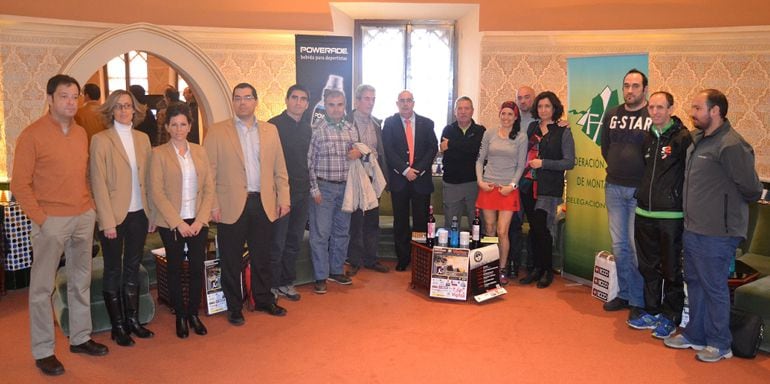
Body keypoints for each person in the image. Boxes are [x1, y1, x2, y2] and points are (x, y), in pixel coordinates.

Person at [11, 74, 108, 376]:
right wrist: (42, 220)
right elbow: (19, 185)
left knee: (81, 280)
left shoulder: (80, 133)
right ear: (50, 99)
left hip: (83, 217)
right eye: (64, 96)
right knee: (42, 288)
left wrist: (91, 207)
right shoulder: (32, 134)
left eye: (75, 96)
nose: (70, 102)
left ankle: (80, 337)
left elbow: (85, 174)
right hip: (50, 221)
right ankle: (43, 351)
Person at [664, 89, 762, 362]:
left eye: (698, 108)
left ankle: (720, 343)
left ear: (715, 111)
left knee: (714, 286)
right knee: (694, 282)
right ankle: (696, 334)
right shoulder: (697, 140)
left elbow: (752, 189)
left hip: (719, 233)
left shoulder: (731, 145)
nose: (692, 113)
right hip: (693, 228)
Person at [204, 83, 290, 325]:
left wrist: (284, 198)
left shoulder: (270, 130)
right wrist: (212, 204)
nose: (242, 102)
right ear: (233, 102)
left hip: (263, 202)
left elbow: (280, 168)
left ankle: (263, 299)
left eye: (247, 97)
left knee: (262, 256)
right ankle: (234, 306)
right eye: (238, 98)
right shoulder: (217, 131)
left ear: (255, 101)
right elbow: (208, 173)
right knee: (230, 258)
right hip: (230, 205)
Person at [90, 89, 155, 347]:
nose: (124, 110)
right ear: (111, 110)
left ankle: (133, 321)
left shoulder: (143, 139)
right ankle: (117, 327)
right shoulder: (101, 140)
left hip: (140, 213)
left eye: (128, 106)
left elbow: (149, 180)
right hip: (114, 216)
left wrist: (152, 213)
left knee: (133, 267)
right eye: (118, 106)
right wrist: (106, 221)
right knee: (113, 269)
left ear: (135, 109)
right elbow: (98, 183)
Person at [625, 92, 691, 339]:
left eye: (660, 107)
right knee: (648, 267)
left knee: (671, 269)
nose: (655, 112)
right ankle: (652, 311)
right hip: (644, 212)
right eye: (651, 107)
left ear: (671, 109)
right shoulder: (647, 138)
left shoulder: (683, 139)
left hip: (670, 216)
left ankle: (670, 317)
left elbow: (689, 175)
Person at [148, 102, 214, 339]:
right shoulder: (158, 154)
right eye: (174, 125)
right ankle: (180, 315)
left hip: (197, 220)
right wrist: (178, 223)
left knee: (196, 267)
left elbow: (209, 188)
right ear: (167, 127)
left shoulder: (200, 151)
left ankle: (193, 313)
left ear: (190, 126)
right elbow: (157, 192)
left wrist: (200, 220)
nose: (178, 129)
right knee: (175, 268)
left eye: (183, 124)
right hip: (171, 222)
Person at [600, 69, 651, 313]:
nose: (630, 90)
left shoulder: (651, 116)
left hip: (638, 192)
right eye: (626, 86)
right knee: (619, 246)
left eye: (635, 86)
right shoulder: (612, 114)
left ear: (645, 89)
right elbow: (605, 148)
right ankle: (624, 293)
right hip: (613, 187)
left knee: (634, 246)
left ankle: (639, 300)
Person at [519, 91, 575, 288]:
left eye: (547, 106)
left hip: (548, 188)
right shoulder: (532, 127)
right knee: (535, 229)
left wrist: (543, 163)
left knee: (544, 230)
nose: (543, 110)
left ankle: (546, 270)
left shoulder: (563, 131)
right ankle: (536, 268)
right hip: (528, 185)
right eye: (540, 106)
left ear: (554, 108)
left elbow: (569, 162)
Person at [307, 89, 360, 294]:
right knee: (321, 234)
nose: (336, 109)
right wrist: (314, 189)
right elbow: (309, 163)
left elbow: (358, 156)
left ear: (345, 105)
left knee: (342, 232)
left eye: (339, 105)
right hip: (324, 188)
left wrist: (358, 153)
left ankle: (336, 270)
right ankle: (320, 276)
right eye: (331, 105)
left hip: (346, 188)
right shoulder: (317, 130)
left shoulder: (350, 128)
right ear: (325, 106)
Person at [382, 90, 438, 271]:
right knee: (401, 222)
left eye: (408, 100)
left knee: (421, 222)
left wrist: (418, 170)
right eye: (402, 101)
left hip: (421, 181)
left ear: (413, 103)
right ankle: (403, 258)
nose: (405, 104)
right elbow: (388, 150)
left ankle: (420, 258)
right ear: (397, 104)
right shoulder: (389, 123)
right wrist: (405, 170)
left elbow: (432, 148)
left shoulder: (426, 123)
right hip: (399, 180)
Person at [475, 101, 527, 285]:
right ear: (499, 114)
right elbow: (479, 160)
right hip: (488, 186)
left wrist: (512, 185)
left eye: (510, 114)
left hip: (507, 189)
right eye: (503, 113)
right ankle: (490, 266)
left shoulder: (521, 137)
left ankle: (502, 268)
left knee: (502, 231)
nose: (506, 117)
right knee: (489, 228)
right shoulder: (489, 133)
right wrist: (480, 181)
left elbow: (521, 165)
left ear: (515, 117)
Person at [268, 84, 312, 300]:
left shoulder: (308, 128)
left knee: (294, 241)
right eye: (294, 97)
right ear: (286, 100)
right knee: (277, 241)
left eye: (303, 99)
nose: (298, 102)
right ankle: (271, 285)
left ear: (307, 104)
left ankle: (286, 282)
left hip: (303, 193)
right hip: (280, 194)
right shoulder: (272, 126)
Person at [345, 84, 390, 276]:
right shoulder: (346, 122)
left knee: (372, 221)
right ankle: (354, 260)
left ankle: (371, 259)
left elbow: (379, 152)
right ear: (357, 101)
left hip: (373, 178)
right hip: (354, 178)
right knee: (355, 222)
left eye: (373, 99)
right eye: (366, 98)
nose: (370, 103)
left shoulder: (376, 124)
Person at [440, 96, 486, 231]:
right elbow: (451, 156)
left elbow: (476, 150)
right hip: (452, 184)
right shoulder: (448, 130)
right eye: (459, 108)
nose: (463, 111)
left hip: (474, 184)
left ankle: (477, 246)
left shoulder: (480, 131)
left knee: (477, 225)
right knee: (451, 226)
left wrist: (451, 144)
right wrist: (467, 147)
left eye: (466, 108)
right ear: (455, 111)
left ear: (472, 111)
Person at [507, 86, 536, 277]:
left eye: (527, 97)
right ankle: (513, 264)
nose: (523, 101)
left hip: (532, 181)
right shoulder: (513, 121)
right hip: (514, 182)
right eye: (520, 98)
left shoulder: (541, 120)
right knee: (514, 224)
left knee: (535, 224)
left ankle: (533, 265)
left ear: (534, 98)